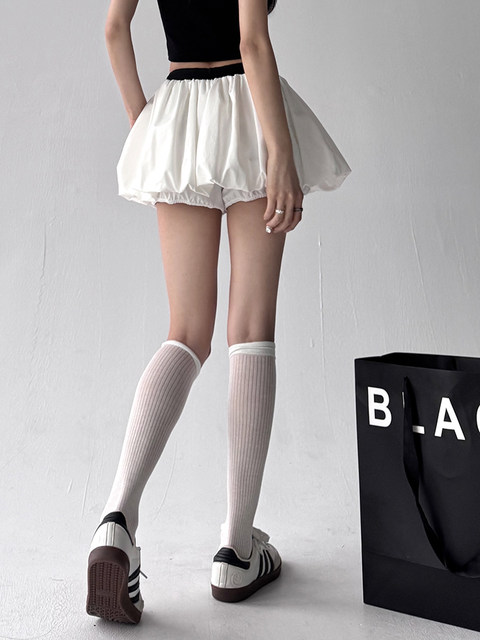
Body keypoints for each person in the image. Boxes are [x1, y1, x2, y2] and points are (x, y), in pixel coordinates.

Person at [86, 0, 351, 625]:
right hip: (248, 109)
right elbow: (251, 40)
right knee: (251, 331)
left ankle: (115, 519)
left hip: (178, 112)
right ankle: (237, 549)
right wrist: (280, 153)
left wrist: (144, 124)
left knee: (184, 332)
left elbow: (114, 28)